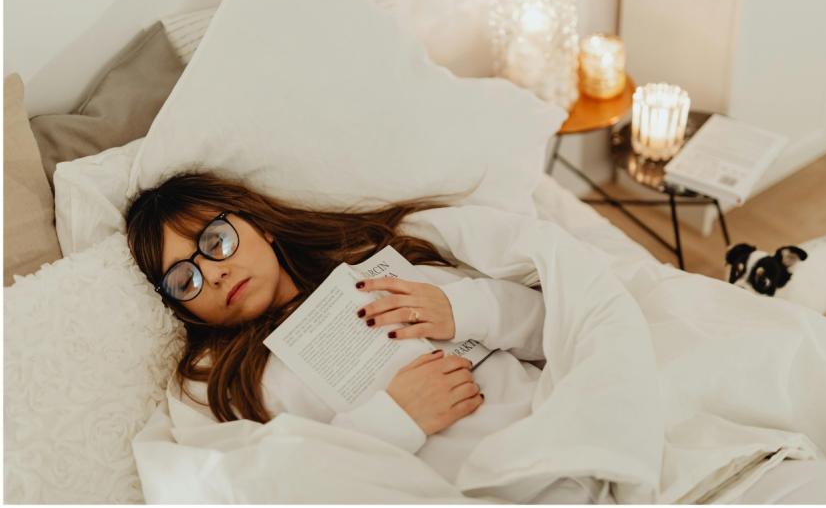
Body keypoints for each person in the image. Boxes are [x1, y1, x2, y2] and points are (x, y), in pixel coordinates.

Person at [125, 171, 570, 493]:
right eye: (186, 280)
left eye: (216, 242)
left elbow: (558, 328)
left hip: (566, 432)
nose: (215, 274)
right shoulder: (215, 381)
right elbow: (256, 488)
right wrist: (396, 420)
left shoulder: (377, 263)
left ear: (259, 225)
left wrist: (461, 308)